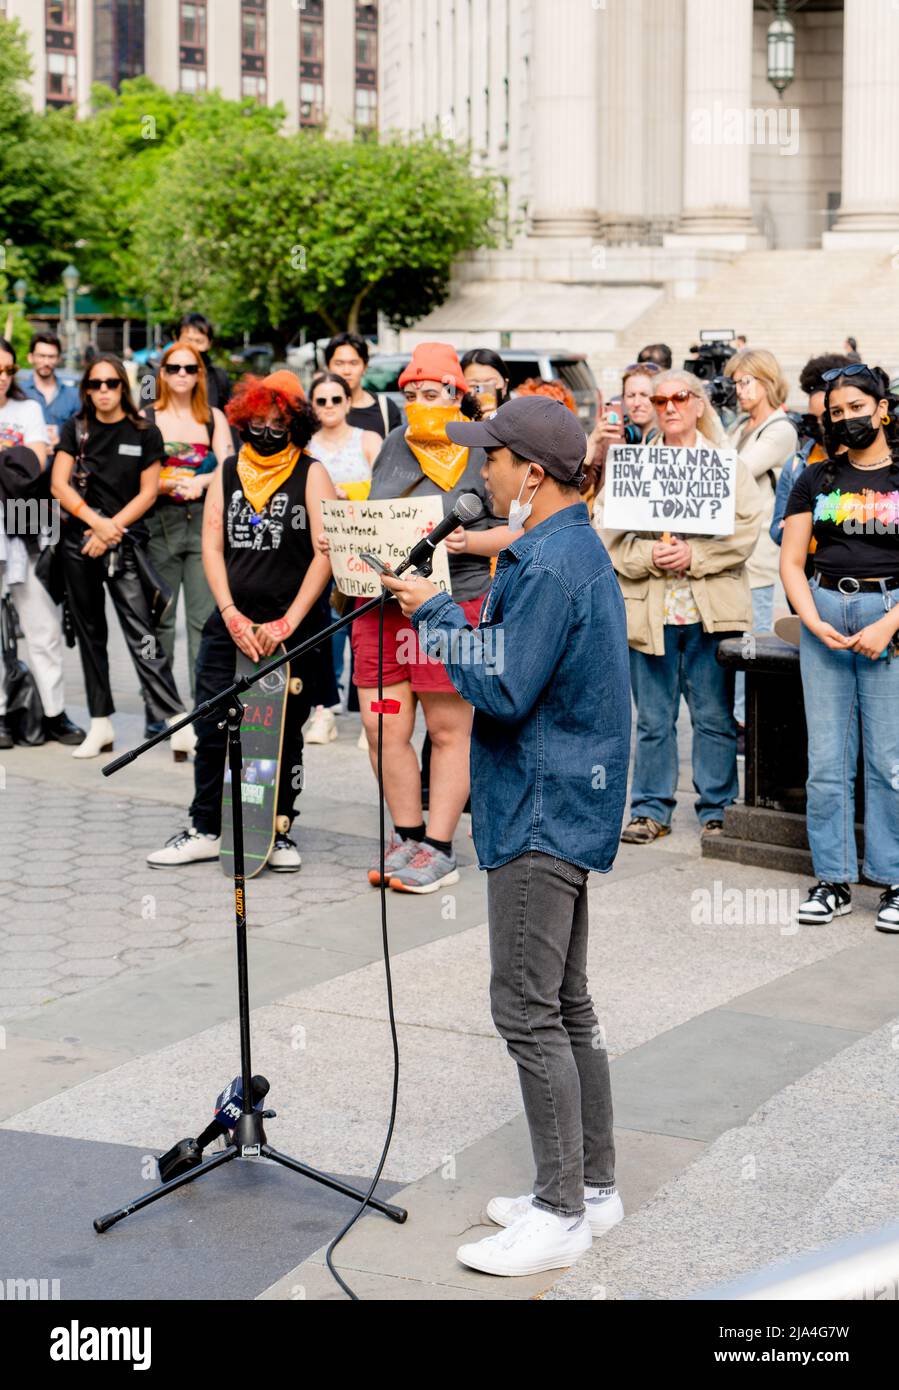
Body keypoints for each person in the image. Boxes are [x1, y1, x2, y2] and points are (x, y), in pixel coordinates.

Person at [380, 396, 631, 1277]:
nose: (476, 471)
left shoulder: (551, 562)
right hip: (560, 797)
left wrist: (435, 613)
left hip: (539, 806)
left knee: (526, 1009)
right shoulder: (558, 550)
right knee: (565, 1004)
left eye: (489, 456)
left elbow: (504, 689)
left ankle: (561, 1211)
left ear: (530, 471)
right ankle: (588, 1188)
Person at [337, 341, 517, 893]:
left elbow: (522, 528)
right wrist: (342, 534)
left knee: (446, 728)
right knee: (382, 723)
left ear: (457, 393)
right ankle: (407, 836)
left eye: (431, 392)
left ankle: (439, 847)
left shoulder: (488, 448)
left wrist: (470, 542)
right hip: (383, 606)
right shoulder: (394, 442)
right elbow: (375, 513)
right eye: (410, 393)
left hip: (453, 607)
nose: (418, 401)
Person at [147, 371, 336, 871]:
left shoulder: (312, 472)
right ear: (243, 419)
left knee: (281, 732)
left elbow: (327, 553)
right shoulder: (228, 469)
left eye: (278, 423)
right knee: (212, 724)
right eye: (258, 421)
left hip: (291, 628)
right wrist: (229, 612)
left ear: (296, 424)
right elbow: (211, 543)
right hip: (229, 622)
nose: (267, 431)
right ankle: (206, 826)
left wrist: (289, 622)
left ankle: (278, 829)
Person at [598, 369, 763, 844]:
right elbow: (606, 536)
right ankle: (650, 809)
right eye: (660, 398)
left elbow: (748, 530)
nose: (669, 406)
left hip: (711, 612)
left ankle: (718, 808)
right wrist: (648, 555)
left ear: (697, 404)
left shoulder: (725, 465)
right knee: (652, 718)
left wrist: (698, 555)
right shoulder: (633, 466)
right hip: (651, 613)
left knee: (713, 716)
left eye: (679, 397)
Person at [781, 362, 899, 934]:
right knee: (826, 760)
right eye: (837, 412)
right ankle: (832, 879)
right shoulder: (816, 478)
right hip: (824, 612)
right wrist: (811, 619)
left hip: (889, 616)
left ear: (881, 408)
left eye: (857, 407)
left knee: (890, 761)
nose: (847, 418)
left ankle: (893, 878)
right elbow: (792, 559)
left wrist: (889, 625)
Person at [51, 354, 192, 759]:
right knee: (91, 633)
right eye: (95, 384)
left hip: (126, 543)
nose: (104, 391)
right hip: (80, 545)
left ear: (123, 388)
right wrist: (96, 523)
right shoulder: (75, 428)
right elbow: (59, 485)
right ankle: (100, 724)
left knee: (142, 632)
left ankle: (175, 720)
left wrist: (111, 530)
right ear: (86, 389)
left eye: (111, 383)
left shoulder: (145, 431)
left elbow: (149, 492)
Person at [141, 341, 232, 720]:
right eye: (174, 368)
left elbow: (229, 469)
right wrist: (166, 483)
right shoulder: (146, 417)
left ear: (200, 375)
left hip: (203, 524)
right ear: (162, 373)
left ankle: (203, 710)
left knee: (203, 620)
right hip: (158, 524)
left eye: (190, 368)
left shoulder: (212, 417)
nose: (182, 375)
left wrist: (203, 480)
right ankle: (159, 712)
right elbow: (135, 473)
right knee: (158, 621)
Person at [0, 339, 84, 748]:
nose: (1, 378)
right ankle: (2, 713)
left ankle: (54, 712)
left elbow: (31, 464)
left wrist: (18, 455)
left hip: (25, 525)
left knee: (43, 627)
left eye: (7, 371)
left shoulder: (27, 409)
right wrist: (12, 453)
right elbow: (19, 458)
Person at [724, 349, 798, 735]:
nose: (739, 389)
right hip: (735, 549)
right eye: (736, 382)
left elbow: (736, 470)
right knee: (738, 635)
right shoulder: (742, 425)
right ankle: (739, 716)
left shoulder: (780, 428)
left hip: (761, 552)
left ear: (766, 381)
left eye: (746, 381)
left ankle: (745, 719)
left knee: (752, 637)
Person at [305, 370, 381, 743]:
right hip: (323, 551)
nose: (330, 406)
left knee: (367, 630)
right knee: (328, 631)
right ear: (312, 405)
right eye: (322, 400)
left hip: (366, 549)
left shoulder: (368, 440)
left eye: (337, 398)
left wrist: (350, 494)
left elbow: (389, 490)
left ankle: (374, 716)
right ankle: (324, 712)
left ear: (349, 402)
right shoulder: (305, 447)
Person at [771, 354, 853, 552]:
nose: (819, 426)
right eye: (810, 419)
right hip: (809, 572)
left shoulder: (869, 461)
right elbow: (777, 530)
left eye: (826, 418)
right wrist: (792, 527)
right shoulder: (796, 465)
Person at [324, 332, 403, 439]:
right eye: (339, 363)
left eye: (353, 363)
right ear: (328, 366)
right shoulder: (316, 410)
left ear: (365, 366)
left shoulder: (386, 408)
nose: (346, 371)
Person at [21, 332, 80, 456]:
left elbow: (82, 435)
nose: (46, 362)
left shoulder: (73, 396)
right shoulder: (19, 393)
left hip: (62, 467)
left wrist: (61, 443)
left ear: (58, 359)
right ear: (30, 357)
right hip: (25, 468)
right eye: (41, 356)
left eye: (51, 356)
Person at [178, 313, 232, 412]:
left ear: (209, 344)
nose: (192, 346)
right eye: (188, 340)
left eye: (199, 341)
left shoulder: (220, 378)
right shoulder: (150, 377)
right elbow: (144, 416)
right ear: (176, 339)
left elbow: (230, 415)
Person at [460, 348, 512, 416]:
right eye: (473, 385)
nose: (482, 390)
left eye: (491, 382)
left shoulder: (519, 419)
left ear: (505, 385)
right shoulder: (454, 420)